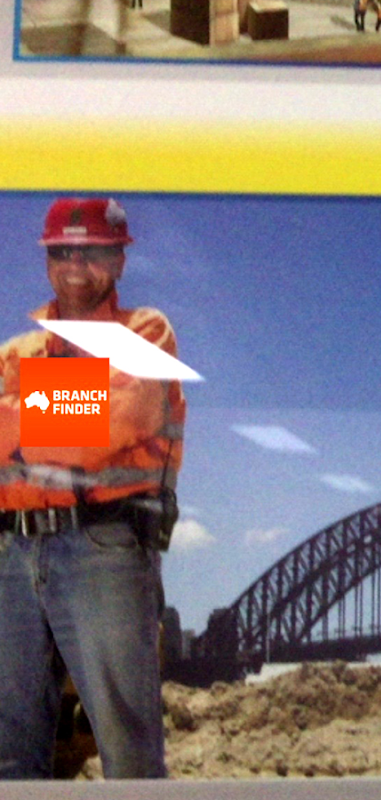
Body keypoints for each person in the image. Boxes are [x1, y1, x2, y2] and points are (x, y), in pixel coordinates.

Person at [0, 198, 186, 779]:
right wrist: (61, 408)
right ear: (47, 260)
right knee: (8, 752)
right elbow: (74, 420)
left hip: (103, 552)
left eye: (93, 252)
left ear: (120, 261)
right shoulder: (17, 353)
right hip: (11, 555)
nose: (75, 265)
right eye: (62, 252)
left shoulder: (144, 334)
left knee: (128, 755)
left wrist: (20, 416)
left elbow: (104, 422)